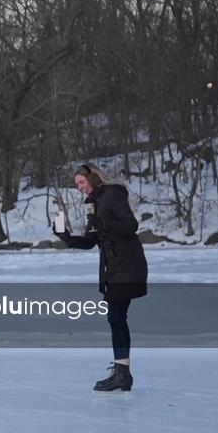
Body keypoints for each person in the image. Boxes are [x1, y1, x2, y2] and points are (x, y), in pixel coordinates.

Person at [54, 163, 148, 392]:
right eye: (77, 185)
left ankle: (122, 375)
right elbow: (90, 241)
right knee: (116, 318)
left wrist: (105, 225)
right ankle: (122, 374)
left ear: (93, 178)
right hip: (114, 267)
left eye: (82, 182)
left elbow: (130, 225)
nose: (80, 188)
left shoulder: (112, 194)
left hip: (127, 264)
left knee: (116, 317)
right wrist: (65, 237)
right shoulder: (95, 204)